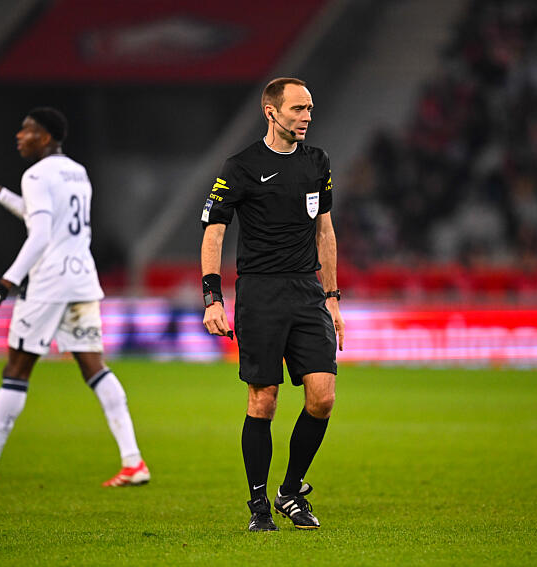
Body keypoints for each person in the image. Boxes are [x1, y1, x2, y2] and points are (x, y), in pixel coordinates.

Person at [0, 107, 149, 488]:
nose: (19, 135)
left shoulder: (35, 174)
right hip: (82, 277)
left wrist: (2, 285)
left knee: (16, 368)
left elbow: (39, 234)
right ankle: (133, 461)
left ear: (47, 137)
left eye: (28, 130)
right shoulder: (77, 172)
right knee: (94, 367)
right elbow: (41, 217)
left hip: (49, 281)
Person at [200, 78, 345, 531]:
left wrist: (333, 297)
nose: (306, 116)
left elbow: (325, 230)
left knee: (322, 397)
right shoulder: (241, 166)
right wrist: (212, 298)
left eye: (310, 108)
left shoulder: (317, 163)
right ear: (271, 112)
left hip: (307, 291)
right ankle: (259, 505)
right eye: (298, 108)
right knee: (263, 400)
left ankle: (290, 491)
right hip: (260, 292)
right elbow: (214, 232)